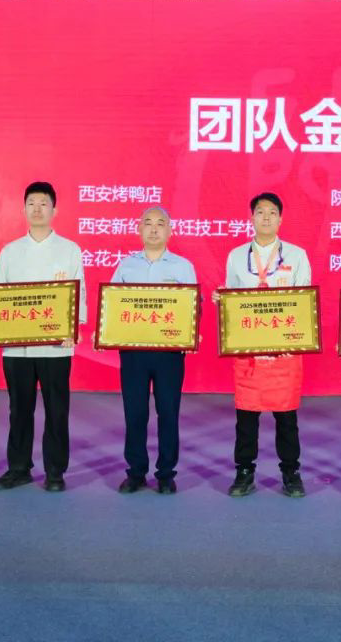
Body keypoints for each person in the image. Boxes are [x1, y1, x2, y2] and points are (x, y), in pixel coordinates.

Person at [0, 181, 86, 493]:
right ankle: (18, 468)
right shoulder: (10, 251)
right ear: (23, 210)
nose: (37, 208)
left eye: (43, 203)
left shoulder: (69, 249)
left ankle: (55, 471)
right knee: (19, 409)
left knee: (57, 410)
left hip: (56, 347)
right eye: (31, 203)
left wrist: (72, 329)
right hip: (17, 349)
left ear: (54, 210)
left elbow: (78, 294)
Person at [221, 192, 311, 498]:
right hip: (249, 351)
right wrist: (223, 302)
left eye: (272, 212)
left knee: (287, 417)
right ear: (252, 218)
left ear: (281, 219)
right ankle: (244, 472)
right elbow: (231, 301)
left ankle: (291, 472)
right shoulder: (236, 256)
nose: (266, 218)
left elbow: (304, 302)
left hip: (284, 350)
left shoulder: (297, 255)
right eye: (260, 212)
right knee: (246, 416)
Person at [109, 206, 197, 495]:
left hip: (169, 354)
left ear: (170, 230)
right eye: (148, 223)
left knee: (168, 412)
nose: (154, 228)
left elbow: (192, 307)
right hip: (133, 353)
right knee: (135, 413)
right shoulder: (126, 266)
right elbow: (111, 305)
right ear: (139, 229)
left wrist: (189, 333)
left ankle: (166, 474)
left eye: (161, 223)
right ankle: (135, 472)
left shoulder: (182, 267)